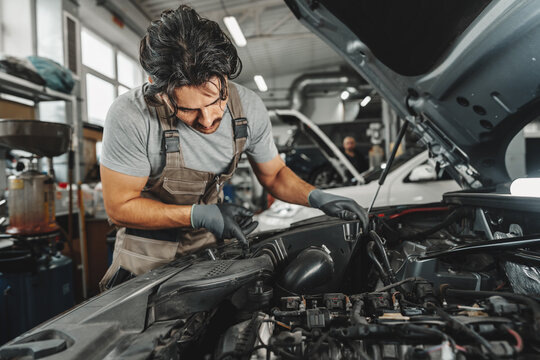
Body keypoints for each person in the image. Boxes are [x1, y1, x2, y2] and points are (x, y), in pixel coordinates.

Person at [98, 5, 368, 290]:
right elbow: (120, 207)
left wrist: (317, 197)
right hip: (145, 254)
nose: (208, 118)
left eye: (217, 100)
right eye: (189, 110)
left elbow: (274, 175)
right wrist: (198, 214)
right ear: (156, 87)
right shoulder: (131, 115)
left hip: (208, 248)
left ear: (225, 76)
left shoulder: (247, 107)